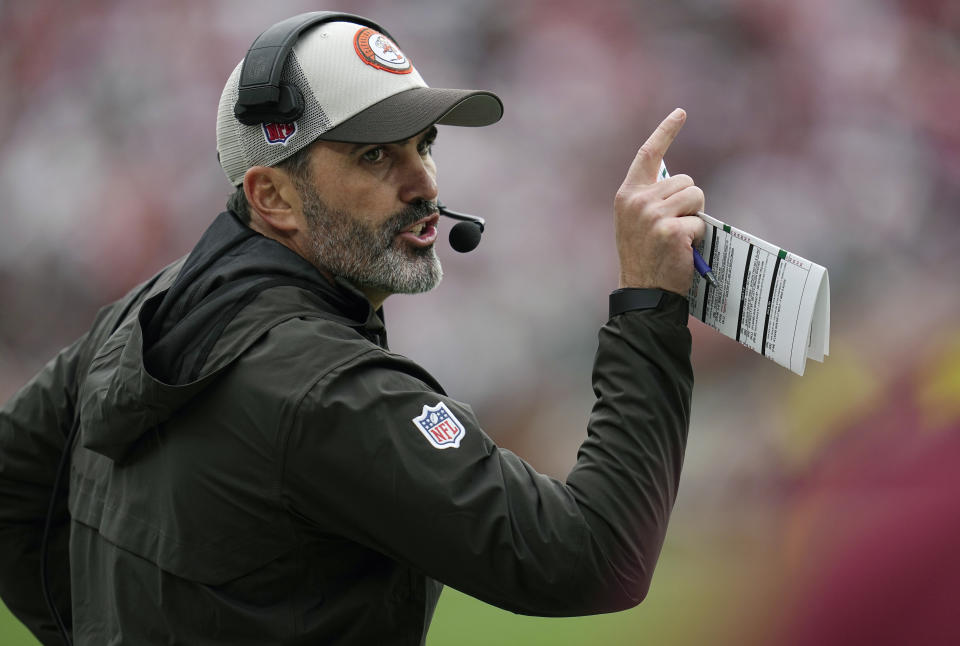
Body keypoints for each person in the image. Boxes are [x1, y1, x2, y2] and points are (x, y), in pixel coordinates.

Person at [0, 11, 705, 646]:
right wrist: (649, 308)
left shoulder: (144, 308)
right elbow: (592, 558)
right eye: (374, 155)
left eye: (422, 145)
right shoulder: (327, 393)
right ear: (272, 196)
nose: (424, 182)